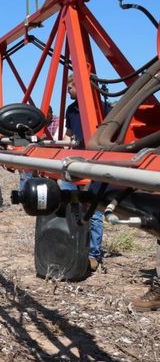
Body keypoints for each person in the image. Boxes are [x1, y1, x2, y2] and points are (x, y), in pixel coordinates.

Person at [61, 74, 107, 272]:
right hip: (75, 165)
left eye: (70, 87)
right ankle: (72, 246)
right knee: (69, 206)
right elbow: (69, 136)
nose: (68, 91)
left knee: (94, 212)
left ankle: (93, 254)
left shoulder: (103, 108)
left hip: (95, 165)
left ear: (80, 86)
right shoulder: (71, 110)